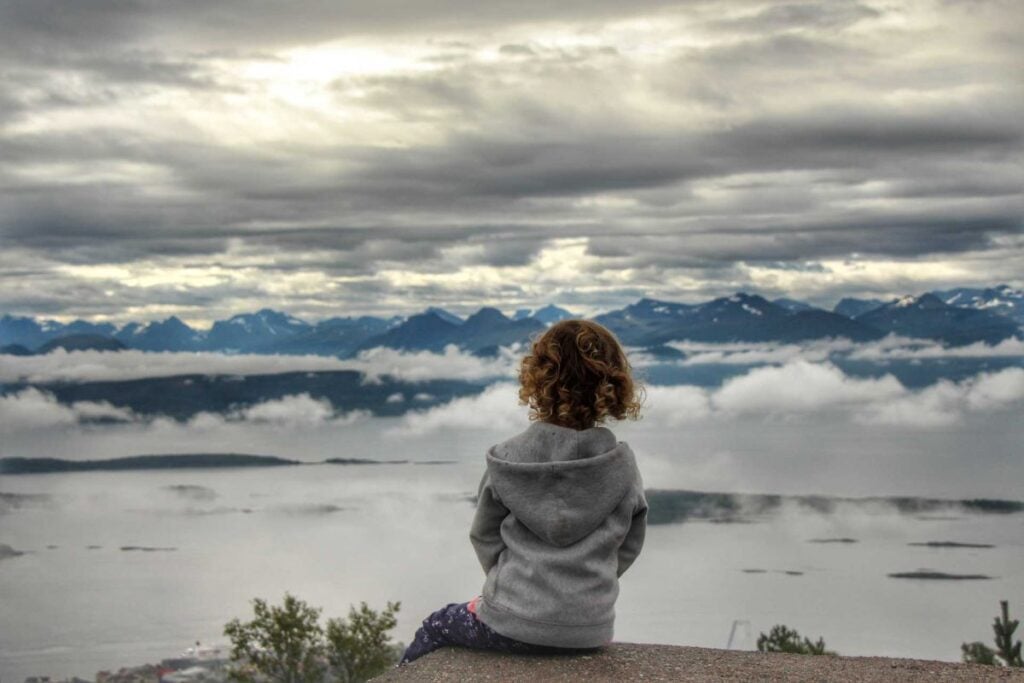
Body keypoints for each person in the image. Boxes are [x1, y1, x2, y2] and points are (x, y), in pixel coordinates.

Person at [399, 318, 648, 665]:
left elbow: (484, 536)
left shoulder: (507, 459)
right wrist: (586, 585)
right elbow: (630, 541)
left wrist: (514, 593)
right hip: (590, 629)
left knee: (437, 625)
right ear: (613, 385)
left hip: (510, 623)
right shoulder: (622, 466)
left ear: (537, 379)